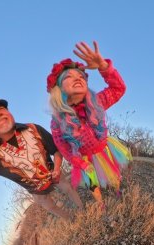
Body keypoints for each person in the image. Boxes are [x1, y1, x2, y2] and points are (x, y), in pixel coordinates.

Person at [47, 41, 131, 204]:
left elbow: (119, 89)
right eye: (69, 77)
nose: (78, 78)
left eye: (81, 76)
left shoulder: (97, 102)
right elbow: (63, 147)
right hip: (84, 158)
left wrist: (104, 66)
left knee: (113, 172)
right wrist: (78, 162)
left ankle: (117, 190)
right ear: (59, 89)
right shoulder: (57, 121)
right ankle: (100, 203)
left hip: (104, 148)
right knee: (92, 183)